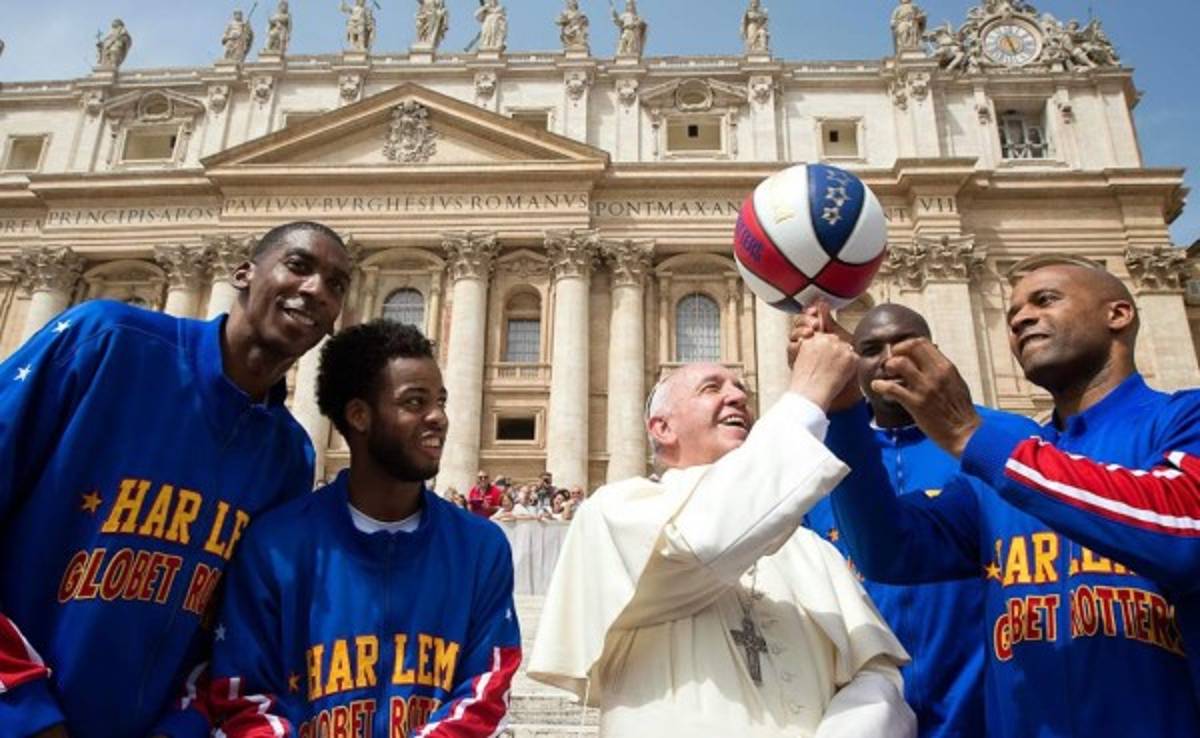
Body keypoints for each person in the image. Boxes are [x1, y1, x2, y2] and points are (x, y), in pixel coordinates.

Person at [0, 221, 351, 737]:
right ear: (243, 273)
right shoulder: (105, 342)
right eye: (299, 266)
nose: (316, 289)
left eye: (338, 284)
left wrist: (180, 726)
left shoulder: (289, 455)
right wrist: (23, 708)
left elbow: (233, 626)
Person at [821, 261, 1200, 738]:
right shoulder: (1002, 470)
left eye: (1045, 300)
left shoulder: (1183, 419)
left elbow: (1185, 531)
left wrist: (968, 434)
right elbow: (888, 551)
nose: (1019, 318)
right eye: (1012, 310)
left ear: (1118, 313)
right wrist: (844, 412)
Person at [528, 333, 915, 737]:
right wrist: (807, 393)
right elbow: (706, 540)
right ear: (661, 427)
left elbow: (879, 680)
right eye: (711, 388)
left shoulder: (812, 549)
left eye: (741, 390)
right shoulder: (612, 511)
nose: (737, 398)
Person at [208, 319, 520, 736]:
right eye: (415, 402)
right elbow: (244, 695)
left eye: (441, 401)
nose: (439, 418)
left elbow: (485, 687)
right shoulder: (274, 545)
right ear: (359, 415)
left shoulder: (481, 547)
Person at [800, 302, 1035, 738]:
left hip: (989, 706)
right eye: (870, 348)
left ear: (936, 353)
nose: (891, 359)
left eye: (907, 345)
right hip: (859, 714)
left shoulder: (1002, 438)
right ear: (855, 362)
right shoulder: (821, 457)